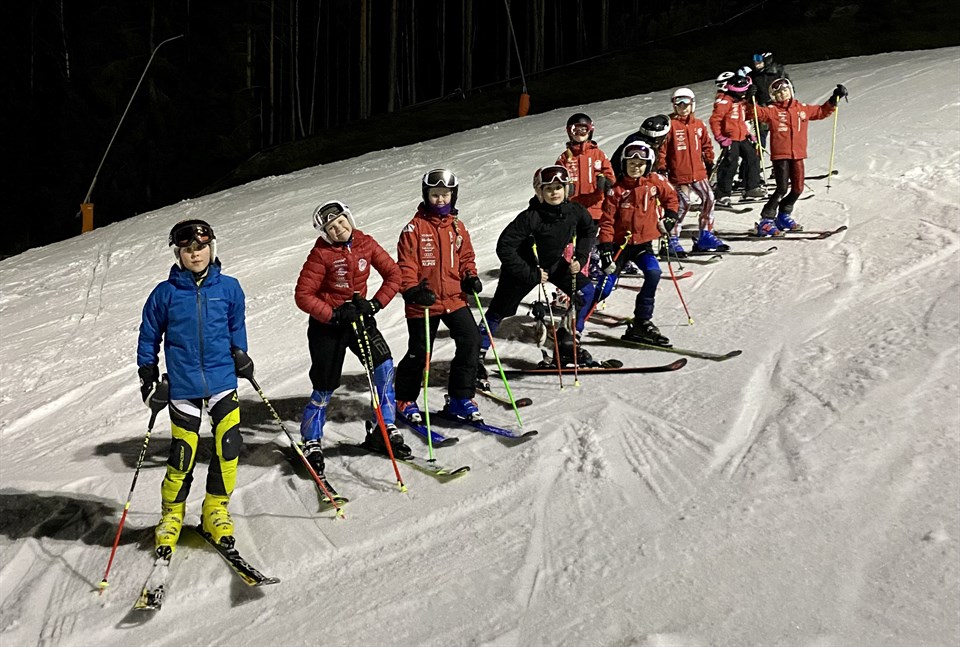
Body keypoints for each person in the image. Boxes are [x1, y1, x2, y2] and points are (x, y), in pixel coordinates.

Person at [137, 219, 251, 554]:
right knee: (183, 452)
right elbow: (148, 336)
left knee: (228, 444)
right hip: (183, 384)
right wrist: (148, 377)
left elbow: (236, 326)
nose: (195, 254)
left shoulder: (229, 288)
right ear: (178, 254)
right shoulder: (165, 294)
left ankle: (215, 508)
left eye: (201, 247)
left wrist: (241, 354)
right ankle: (172, 514)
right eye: (187, 249)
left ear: (211, 249)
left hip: (221, 379)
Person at [293, 201, 407, 467]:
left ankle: (384, 427)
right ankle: (311, 440)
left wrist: (375, 304)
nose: (339, 229)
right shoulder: (320, 255)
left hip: (359, 319)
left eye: (341, 222)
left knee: (384, 366)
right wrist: (333, 314)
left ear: (349, 219)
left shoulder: (366, 243)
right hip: (327, 328)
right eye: (331, 228)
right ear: (325, 233)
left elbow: (394, 274)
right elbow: (303, 295)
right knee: (324, 385)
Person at [477, 165, 598, 376]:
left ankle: (568, 341)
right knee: (499, 311)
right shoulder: (530, 217)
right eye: (548, 189)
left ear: (567, 189)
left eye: (558, 187)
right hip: (523, 270)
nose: (554, 192)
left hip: (554, 264)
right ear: (539, 192)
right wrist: (530, 273)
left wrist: (580, 257)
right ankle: (475, 356)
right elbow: (504, 246)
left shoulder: (574, 211)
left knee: (587, 293)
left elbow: (588, 230)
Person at [395, 169, 485, 423]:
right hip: (423, 301)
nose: (440, 199)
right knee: (420, 352)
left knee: (471, 341)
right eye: (435, 194)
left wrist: (469, 276)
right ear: (426, 195)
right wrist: (412, 290)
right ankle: (404, 399)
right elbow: (405, 265)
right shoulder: (414, 228)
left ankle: (460, 398)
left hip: (454, 298)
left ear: (453, 195)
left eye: (445, 194)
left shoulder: (457, 227)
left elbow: (466, 257)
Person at [597, 142, 679, 347]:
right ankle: (575, 319)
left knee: (653, 273)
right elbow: (606, 222)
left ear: (648, 165)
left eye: (640, 164)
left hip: (642, 245)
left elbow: (671, 198)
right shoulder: (616, 191)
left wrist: (670, 217)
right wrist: (605, 250)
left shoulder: (654, 182)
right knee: (604, 290)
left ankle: (642, 321)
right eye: (632, 163)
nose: (636, 167)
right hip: (619, 247)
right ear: (624, 164)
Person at [751, 79, 847, 236]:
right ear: (774, 97)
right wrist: (750, 99)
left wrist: (834, 98)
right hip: (781, 155)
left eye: (785, 91)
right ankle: (766, 220)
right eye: (778, 93)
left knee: (798, 188)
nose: (783, 94)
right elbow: (756, 113)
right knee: (781, 188)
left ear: (791, 90)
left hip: (798, 154)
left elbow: (821, 111)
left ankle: (783, 216)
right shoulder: (773, 110)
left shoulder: (801, 109)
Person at [660, 87, 727, 255]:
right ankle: (672, 239)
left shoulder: (698, 125)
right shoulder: (670, 125)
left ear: (692, 105)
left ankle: (705, 235)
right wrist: (661, 168)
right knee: (682, 204)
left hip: (698, 172)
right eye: (679, 104)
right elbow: (661, 150)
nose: (683, 108)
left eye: (686, 104)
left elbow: (706, 145)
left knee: (709, 198)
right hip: (677, 174)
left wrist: (709, 160)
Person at [710, 74, 765, 206]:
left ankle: (751, 187)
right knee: (730, 164)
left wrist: (751, 101)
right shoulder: (725, 101)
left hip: (742, 137)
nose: (743, 95)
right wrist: (720, 137)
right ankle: (722, 194)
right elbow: (715, 120)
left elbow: (748, 116)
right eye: (741, 92)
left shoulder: (742, 102)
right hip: (730, 139)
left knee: (753, 157)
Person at [555, 113, 616, 223]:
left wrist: (605, 182)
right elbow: (556, 178)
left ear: (590, 131)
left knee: (591, 233)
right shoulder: (565, 157)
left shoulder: (598, 155)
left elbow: (610, 176)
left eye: (583, 130)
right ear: (569, 132)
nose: (579, 134)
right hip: (573, 209)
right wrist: (565, 187)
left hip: (595, 208)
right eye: (575, 130)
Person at [610, 114, 671, 181]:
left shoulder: (632, 141)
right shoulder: (642, 151)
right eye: (663, 137)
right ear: (657, 138)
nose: (664, 140)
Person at [747, 52, 789, 148]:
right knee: (761, 133)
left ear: (766, 62)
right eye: (755, 63)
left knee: (781, 133)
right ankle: (759, 154)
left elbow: (788, 88)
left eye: (759, 63)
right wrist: (750, 93)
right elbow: (747, 96)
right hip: (763, 108)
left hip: (778, 107)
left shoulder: (777, 72)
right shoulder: (753, 76)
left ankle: (783, 154)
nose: (756, 65)